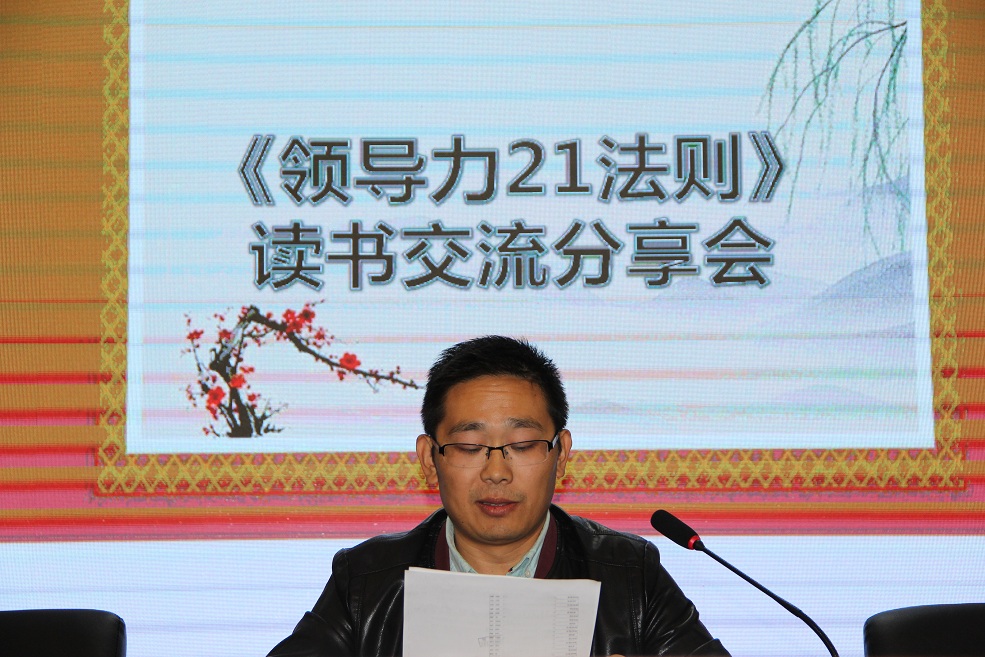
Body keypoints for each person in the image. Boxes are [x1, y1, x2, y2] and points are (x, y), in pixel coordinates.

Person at [268, 336, 729, 657]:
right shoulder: (366, 581)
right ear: (429, 458)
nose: (495, 472)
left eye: (523, 445)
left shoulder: (630, 575)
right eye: (470, 447)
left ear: (560, 455)